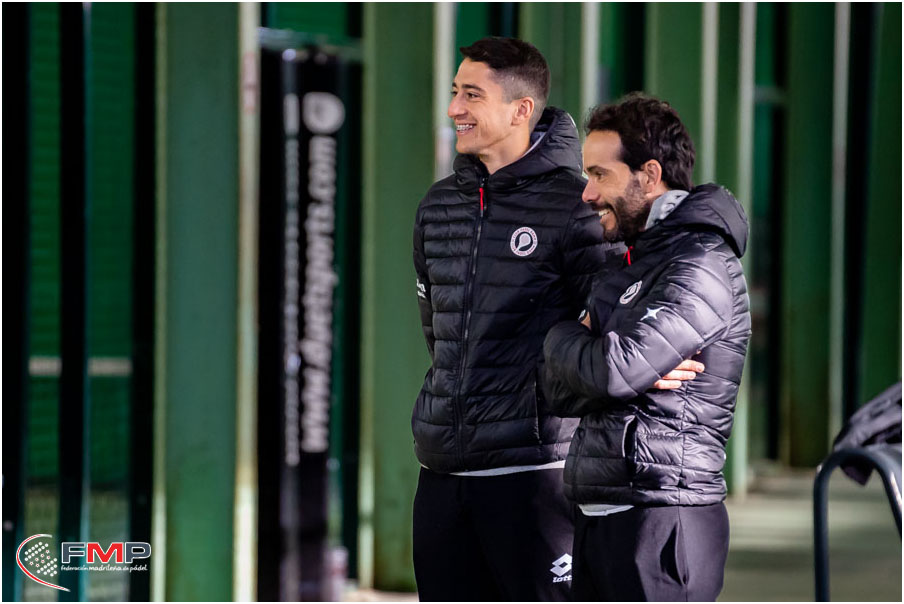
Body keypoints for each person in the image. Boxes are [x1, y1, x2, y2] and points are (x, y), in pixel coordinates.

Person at [410, 36, 612, 601]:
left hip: (535, 475)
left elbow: (608, 333)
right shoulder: (438, 206)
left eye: (471, 95)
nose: (454, 108)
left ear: (521, 109)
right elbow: (437, 331)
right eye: (455, 91)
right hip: (442, 473)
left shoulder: (577, 207)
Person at [542, 93, 752, 601]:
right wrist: (594, 357)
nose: (588, 194)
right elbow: (557, 391)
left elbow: (614, 371)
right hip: (602, 513)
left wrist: (561, 336)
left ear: (650, 174)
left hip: (662, 518)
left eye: (600, 175)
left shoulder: (701, 263)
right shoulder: (629, 261)